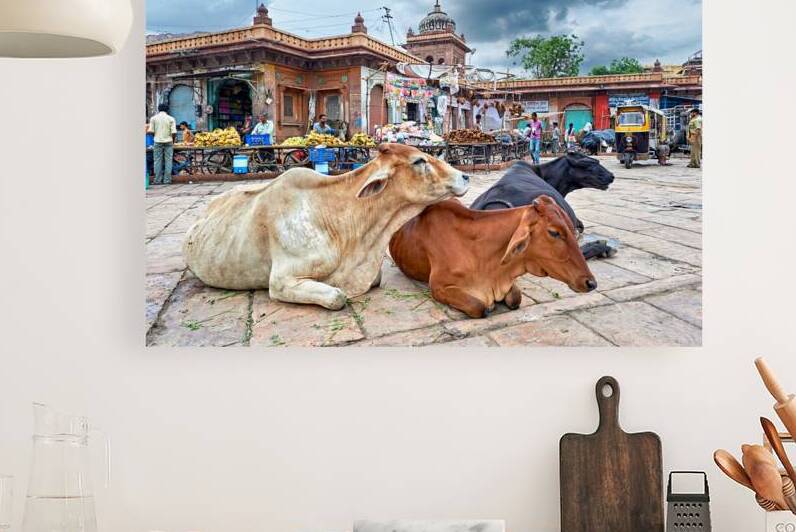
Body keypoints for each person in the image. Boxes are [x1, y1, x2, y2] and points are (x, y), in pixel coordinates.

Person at [148, 103, 177, 185]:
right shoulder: (171, 119)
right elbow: (174, 132)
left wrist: (156, 136)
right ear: (167, 110)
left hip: (157, 141)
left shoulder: (153, 118)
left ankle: (157, 180)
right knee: (168, 160)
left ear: (158, 109)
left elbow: (150, 131)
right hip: (169, 141)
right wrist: (173, 140)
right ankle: (167, 180)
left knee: (157, 161)